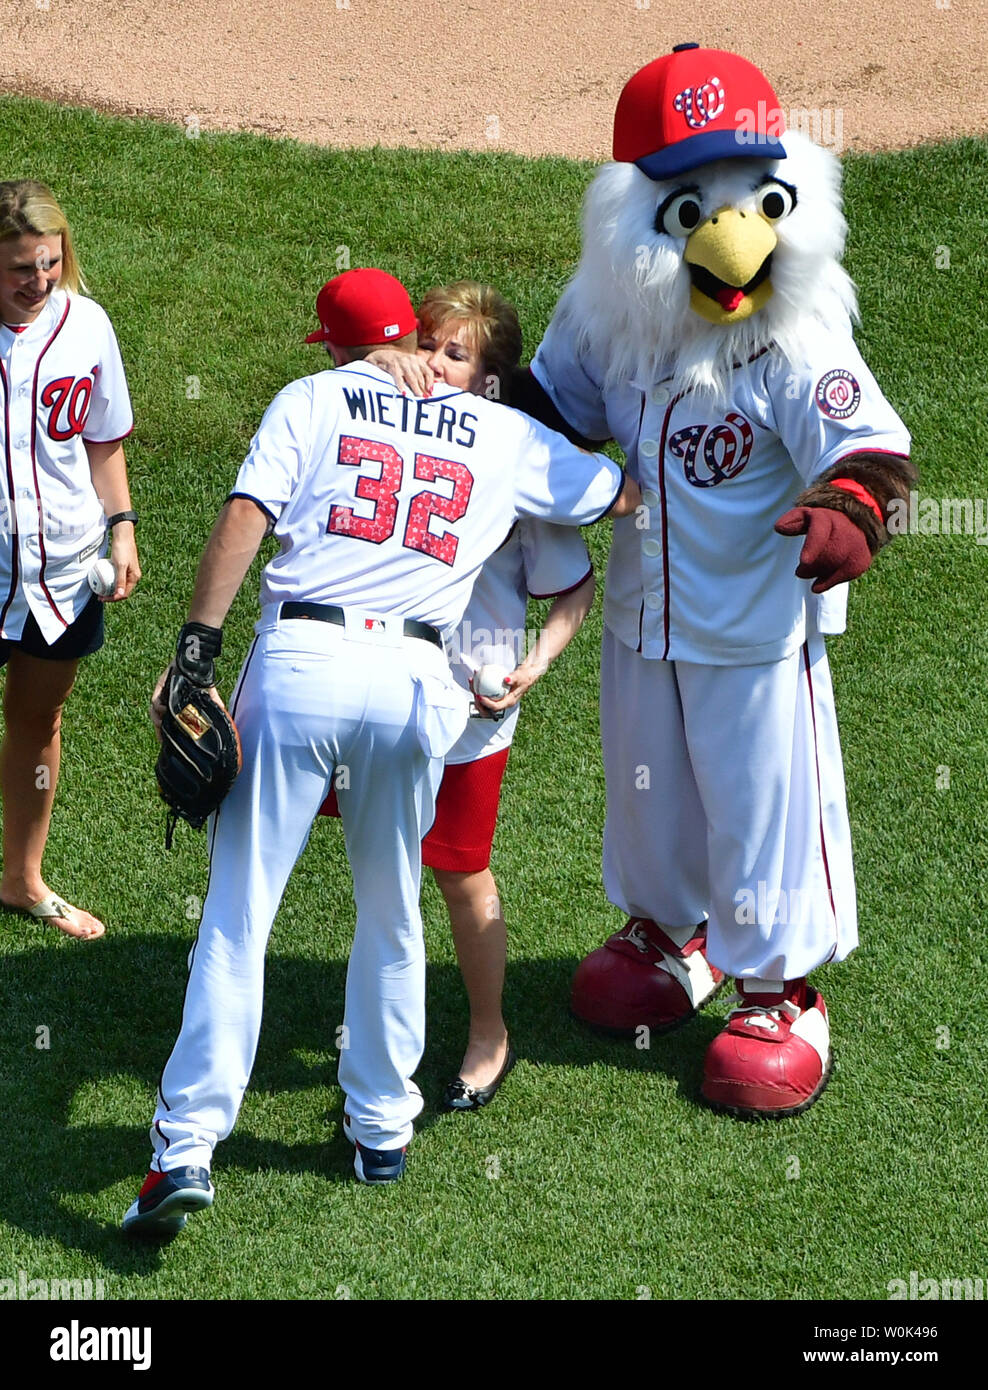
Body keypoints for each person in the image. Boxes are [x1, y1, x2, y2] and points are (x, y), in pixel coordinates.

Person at [122, 267, 639, 1235]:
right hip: (414, 683)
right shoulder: (505, 432)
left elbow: (246, 516)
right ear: (413, 339)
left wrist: (195, 651)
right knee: (390, 903)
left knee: (238, 912)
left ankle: (187, 1144)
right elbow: (615, 495)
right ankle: (379, 1125)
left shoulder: (312, 397)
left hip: (304, 660)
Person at [322, 280, 597, 1110]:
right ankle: (255, 985)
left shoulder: (521, 474)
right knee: (358, 854)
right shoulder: (376, 426)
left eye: (456, 353)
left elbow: (574, 588)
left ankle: (489, 1032)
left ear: (488, 380)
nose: (435, 365)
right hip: (373, 684)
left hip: (473, 708)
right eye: (427, 344)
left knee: (458, 872)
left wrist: (540, 661)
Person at [0, 179, 140, 941]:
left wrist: (122, 527)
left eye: (49, 263)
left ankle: (22, 880)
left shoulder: (86, 327)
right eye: (21, 266)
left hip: (62, 570)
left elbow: (102, 438)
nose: (39, 281)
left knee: (39, 715)